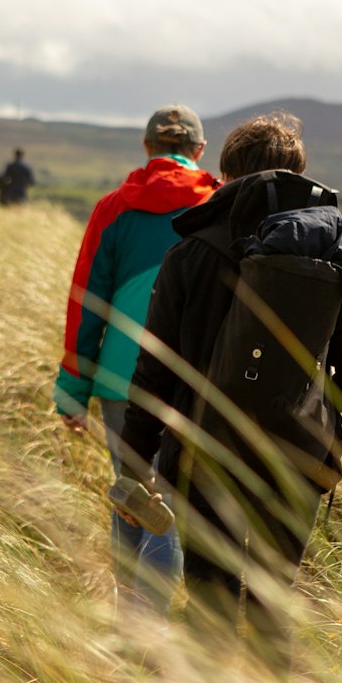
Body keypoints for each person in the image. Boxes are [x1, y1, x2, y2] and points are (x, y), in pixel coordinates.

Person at [117, 113, 342, 668]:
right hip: (295, 460)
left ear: (225, 173)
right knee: (271, 601)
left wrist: (136, 464)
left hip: (202, 455)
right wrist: (304, 407)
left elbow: (154, 371)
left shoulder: (188, 254)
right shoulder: (327, 258)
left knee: (211, 601)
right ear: (298, 175)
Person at [54, 105, 219, 613]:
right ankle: (149, 631)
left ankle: (133, 624)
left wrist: (72, 391)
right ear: (199, 150)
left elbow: (87, 302)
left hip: (120, 382)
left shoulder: (113, 209)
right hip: (195, 382)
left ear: (147, 148)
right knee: (168, 501)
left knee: (131, 497)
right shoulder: (220, 205)